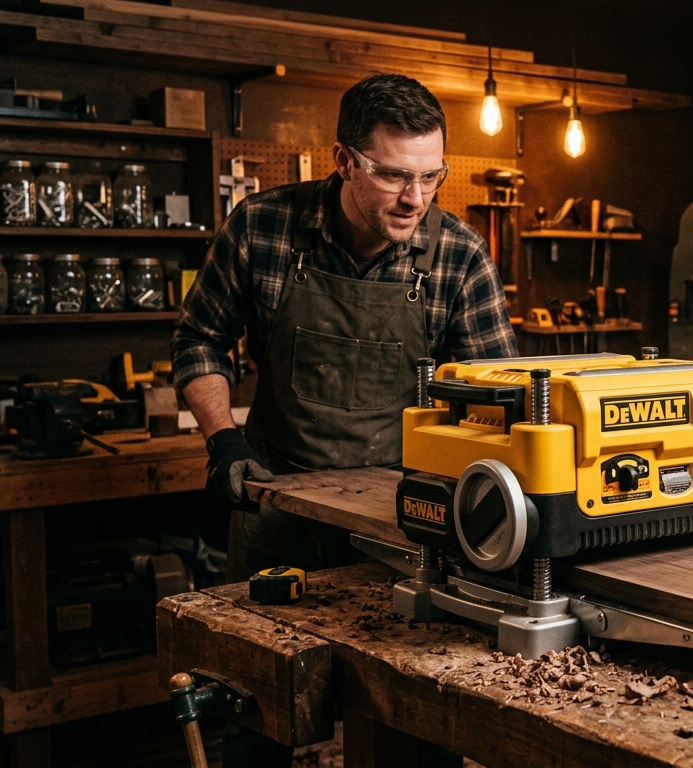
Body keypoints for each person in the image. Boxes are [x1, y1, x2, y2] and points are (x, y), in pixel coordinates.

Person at [171, 74, 516, 765]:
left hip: (402, 534)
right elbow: (199, 340)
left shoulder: (459, 257)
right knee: (258, 724)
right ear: (343, 161)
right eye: (392, 176)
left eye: (430, 177)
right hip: (278, 517)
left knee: (410, 731)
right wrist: (224, 439)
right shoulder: (263, 229)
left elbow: (501, 401)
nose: (414, 199)